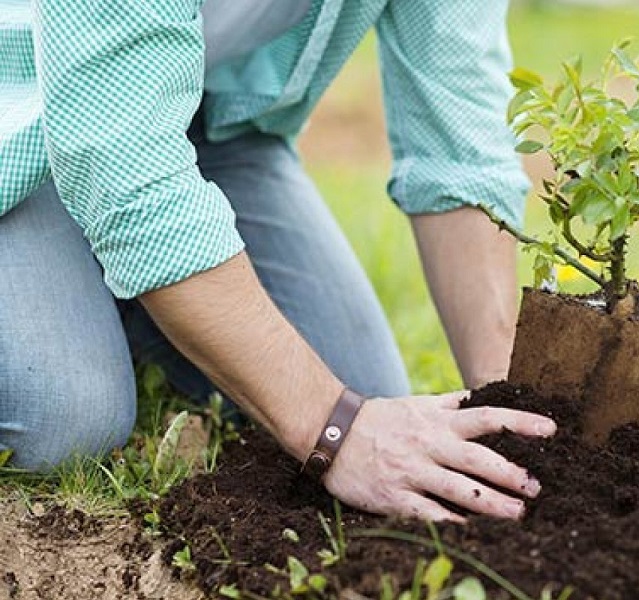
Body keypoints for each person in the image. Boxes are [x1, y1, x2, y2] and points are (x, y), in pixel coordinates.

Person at [0, 0, 557, 522]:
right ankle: (103, 267)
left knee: (367, 393)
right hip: (28, 105)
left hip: (212, 123)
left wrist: (507, 414)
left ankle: (119, 280)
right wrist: (336, 432)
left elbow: (460, 140)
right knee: (65, 421)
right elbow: (124, 160)